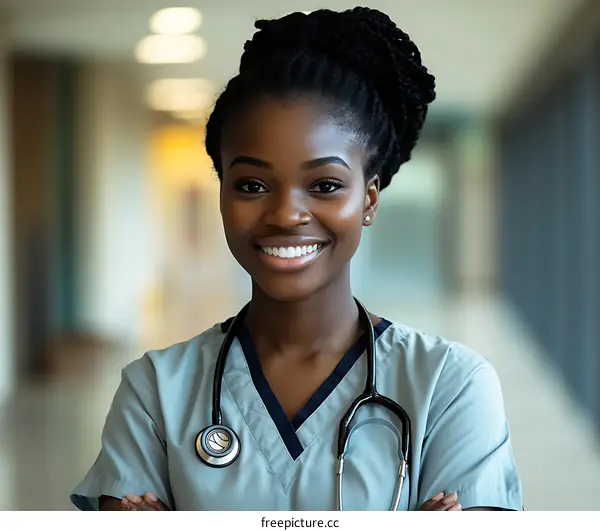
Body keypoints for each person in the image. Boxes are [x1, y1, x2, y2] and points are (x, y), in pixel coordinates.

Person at [70, 7, 522, 511]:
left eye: (325, 185)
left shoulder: (451, 385)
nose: (286, 214)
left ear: (369, 199)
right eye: (252, 185)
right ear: (222, 195)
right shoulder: (155, 390)